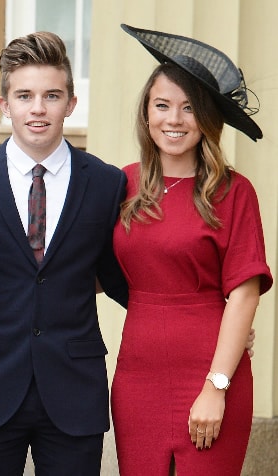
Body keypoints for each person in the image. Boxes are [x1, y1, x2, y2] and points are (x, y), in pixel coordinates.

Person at [0, 31, 129, 475]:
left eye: (51, 96)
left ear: (71, 103)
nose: (38, 108)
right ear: (5, 105)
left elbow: (122, 278)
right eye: (24, 96)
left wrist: (207, 323)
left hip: (75, 391)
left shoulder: (106, 183)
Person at [111, 25, 273, 475]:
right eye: (162, 106)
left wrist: (217, 386)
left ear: (207, 119)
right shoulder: (120, 186)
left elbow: (244, 293)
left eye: (188, 108)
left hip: (211, 373)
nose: (174, 120)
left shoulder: (234, 192)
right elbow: (92, 272)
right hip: (136, 378)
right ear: (146, 114)